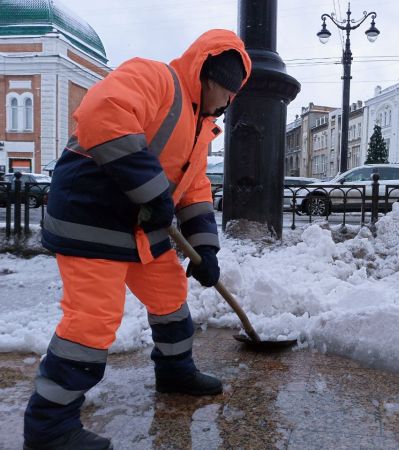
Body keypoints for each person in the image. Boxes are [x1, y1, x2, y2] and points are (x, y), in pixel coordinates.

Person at [23, 29, 251, 450]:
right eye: (229, 94)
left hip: (143, 226)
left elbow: (195, 186)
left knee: (169, 297)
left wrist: (205, 247)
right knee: (93, 320)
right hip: (92, 217)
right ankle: (49, 426)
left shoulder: (202, 127)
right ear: (212, 80)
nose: (227, 105)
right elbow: (101, 114)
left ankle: (174, 371)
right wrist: (151, 191)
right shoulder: (154, 78)